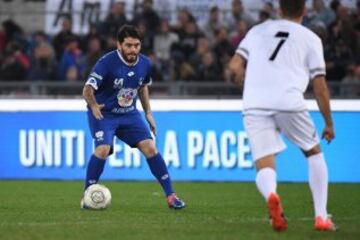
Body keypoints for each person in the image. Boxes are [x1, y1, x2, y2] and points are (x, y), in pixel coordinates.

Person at [229, 0, 336, 232]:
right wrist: (328, 122)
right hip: (289, 101)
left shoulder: (257, 31)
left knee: (265, 165)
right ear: (304, 12)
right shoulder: (310, 38)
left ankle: (271, 195)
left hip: (255, 103)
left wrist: (241, 81)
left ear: (279, 10)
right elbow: (320, 86)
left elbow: (235, 65)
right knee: (313, 153)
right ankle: (321, 217)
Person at [81, 25, 185, 210]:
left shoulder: (145, 63)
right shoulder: (106, 62)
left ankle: (171, 196)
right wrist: (94, 105)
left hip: (129, 114)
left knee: (151, 148)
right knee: (103, 149)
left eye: (137, 45)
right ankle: (88, 195)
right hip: (104, 113)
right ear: (119, 45)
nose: (133, 50)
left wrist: (148, 113)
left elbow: (143, 86)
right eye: (128, 45)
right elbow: (87, 89)